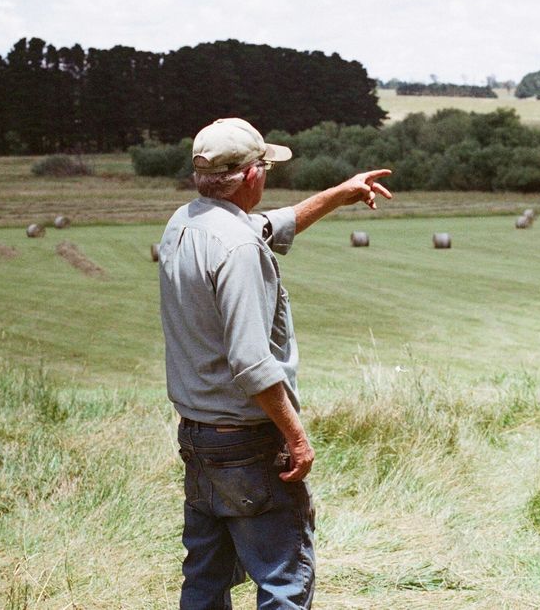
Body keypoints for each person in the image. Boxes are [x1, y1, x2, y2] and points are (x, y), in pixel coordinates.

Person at [158, 117, 392, 609]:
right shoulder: (239, 248)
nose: (267, 174)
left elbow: (275, 224)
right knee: (284, 581)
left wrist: (341, 193)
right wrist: (296, 437)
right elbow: (251, 362)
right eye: (263, 165)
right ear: (249, 176)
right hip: (247, 441)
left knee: (205, 578)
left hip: (199, 435)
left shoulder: (186, 222)